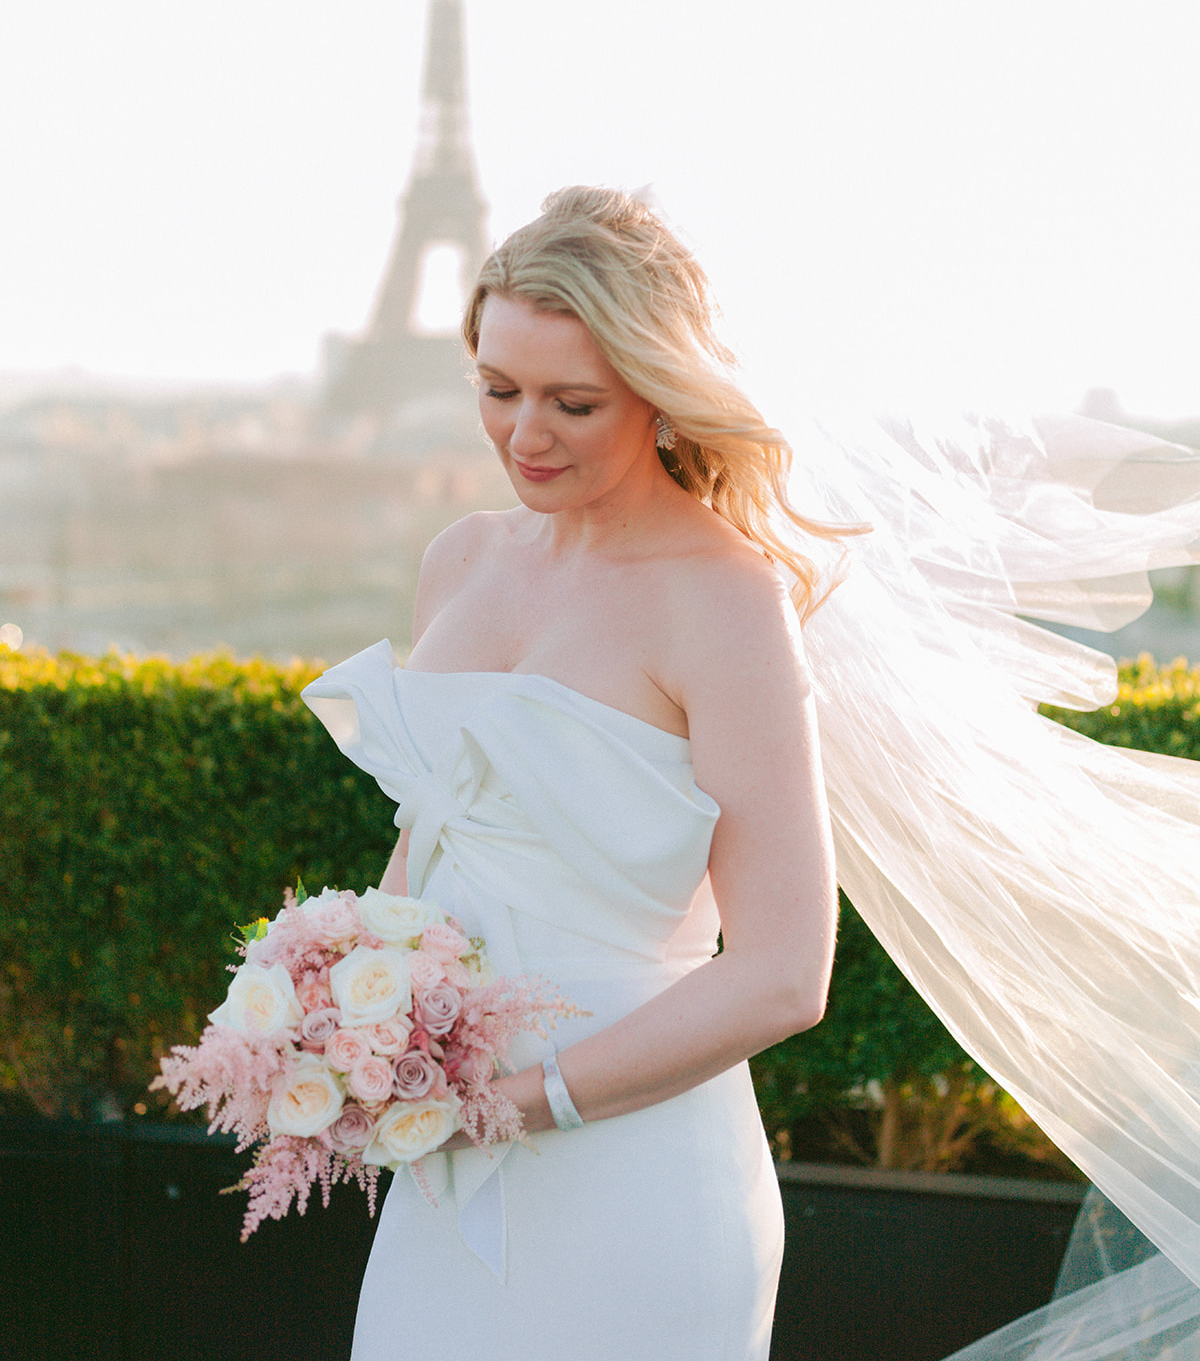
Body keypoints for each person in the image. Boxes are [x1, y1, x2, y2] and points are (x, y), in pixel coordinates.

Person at [303, 186, 1200, 1361]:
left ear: (660, 395)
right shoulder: (460, 560)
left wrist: (520, 1103)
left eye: (575, 401)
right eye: (498, 388)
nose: (526, 433)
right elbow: (435, 842)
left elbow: (786, 973)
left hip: (633, 1175)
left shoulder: (725, 600)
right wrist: (338, 1000)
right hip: (445, 1167)